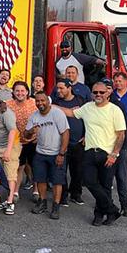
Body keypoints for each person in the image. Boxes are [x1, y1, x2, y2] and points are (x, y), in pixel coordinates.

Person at [59, 82, 126, 226]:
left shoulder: (115, 110)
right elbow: (71, 112)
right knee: (89, 182)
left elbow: (121, 134)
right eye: (95, 92)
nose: (98, 95)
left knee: (105, 186)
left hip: (107, 154)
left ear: (108, 93)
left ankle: (100, 215)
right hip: (89, 152)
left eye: (101, 92)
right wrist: (50, 105)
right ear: (91, 94)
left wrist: (114, 154)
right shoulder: (87, 108)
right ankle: (112, 210)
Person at [24, 91, 70, 220]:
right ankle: (42, 202)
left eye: (42, 100)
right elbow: (26, 135)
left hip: (56, 153)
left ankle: (56, 205)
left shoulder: (57, 114)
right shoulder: (34, 116)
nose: (40, 103)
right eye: (37, 101)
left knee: (57, 181)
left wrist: (61, 153)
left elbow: (65, 133)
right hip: (40, 152)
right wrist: (31, 131)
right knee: (40, 179)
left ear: (48, 101)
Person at [52, 78, 87, 206]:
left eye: (61, 88)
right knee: (61, 171)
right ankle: (63, 196)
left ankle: (76, 194)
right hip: (61, 144)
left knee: (77, 171)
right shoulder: (56, 102)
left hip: (78, 142)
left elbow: (88, 120)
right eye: (57, 88)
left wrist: (86, 135)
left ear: (69, 88)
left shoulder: (80, 101)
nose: (58, 91)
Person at [102, 78, 127, 217]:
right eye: (104, 88)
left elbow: (125, 128)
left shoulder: (118, 106)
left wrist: (122, 148)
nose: (107, 91)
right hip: (104, 147)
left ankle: (124, 205)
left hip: (118, 148)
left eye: (109, 88)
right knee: (105, 180)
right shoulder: (98, 105)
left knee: (121, 178)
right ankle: (108, 204)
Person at [7, 81, 39, 201]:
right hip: (16, 141)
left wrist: (39, 136)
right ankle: (15, 191)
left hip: (32, 140)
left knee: (34, 166)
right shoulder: (8, 105)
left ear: (27, 92)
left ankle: (35, 190)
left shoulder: (34, 103)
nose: (20, 93)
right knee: (19, 167)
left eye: (22, 91)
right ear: (13, 92)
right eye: (17, 91)